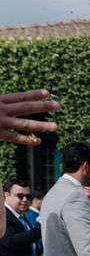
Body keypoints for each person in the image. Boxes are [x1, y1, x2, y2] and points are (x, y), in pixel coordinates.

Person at [0, 89, 60, 239]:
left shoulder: (23, 217)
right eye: (20, 196)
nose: (25, 200)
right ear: (6, 195)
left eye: (27, 196)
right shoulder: (12, 217)